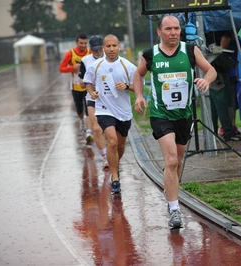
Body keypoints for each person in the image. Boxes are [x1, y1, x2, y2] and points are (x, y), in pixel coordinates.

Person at [133, 15, 217, 229]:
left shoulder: (189, 51)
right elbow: (138, 74)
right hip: (161, 115)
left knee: (178, 161)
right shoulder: (150, 54)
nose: (173, 32)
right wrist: (140, 96)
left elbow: (211, 70)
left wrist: (205, 80)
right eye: (168, 29)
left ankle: (171, 191)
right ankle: (174, 209)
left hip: (184, 115)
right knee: (171, 160)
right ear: (159, 31)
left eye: (176, 28)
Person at [84, 34, 137, 195]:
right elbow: (88, 82)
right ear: (103, 48)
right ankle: (115, 179)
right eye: (108, 46)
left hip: (123, 111)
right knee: (112, 142)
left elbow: (138, 86)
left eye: (114, 46)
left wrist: (127, 86)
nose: (111, 49)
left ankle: (115, 165)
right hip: (104, 109)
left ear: (119, 46)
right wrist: (92, 93)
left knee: (120, 145)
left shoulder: (127, 65)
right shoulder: (96, 66)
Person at [78, 35, 108, 170]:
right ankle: (105, 157)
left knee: (111, 130)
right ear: (91, 49)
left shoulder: (110, 57)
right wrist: (87, 84)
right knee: (97, 128)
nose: (97, 52)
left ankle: (113, 151)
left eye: (99, 49)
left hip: (110, 97)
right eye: (94, 50)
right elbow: (81, 82)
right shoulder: (85, 61)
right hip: (92, 97)